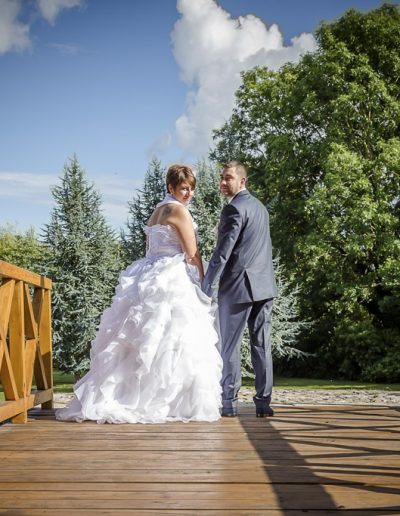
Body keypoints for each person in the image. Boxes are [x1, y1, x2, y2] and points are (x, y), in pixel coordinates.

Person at [56, 164, 222, 424]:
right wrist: (202, 280)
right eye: (183, 188)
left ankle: (128, 394)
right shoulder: (179, 212)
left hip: (148, 273)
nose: (188, 193)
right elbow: (191, 253)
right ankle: (164, 400)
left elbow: (150, 250)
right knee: (173, 338)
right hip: (171, 275)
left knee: (140, 338)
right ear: (171, 187)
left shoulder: (156, 212)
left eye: (191, 189)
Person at [202, 161, 277, 418]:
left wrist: (206, 285)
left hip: (238, 287)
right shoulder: (261, 208)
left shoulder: (233, 208)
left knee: (230, 346)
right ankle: (263, 403)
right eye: (222, 178)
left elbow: (222, 254)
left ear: (242, 181)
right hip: (265, 287)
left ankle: (229, 403)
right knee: (261, 345)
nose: (223, 183)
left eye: (228, 178)